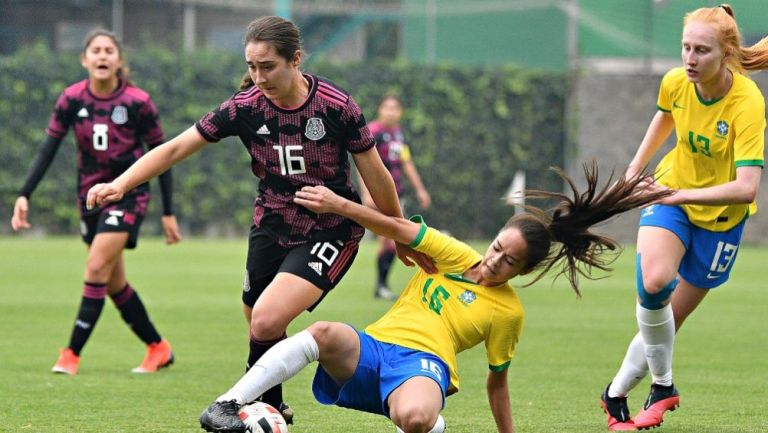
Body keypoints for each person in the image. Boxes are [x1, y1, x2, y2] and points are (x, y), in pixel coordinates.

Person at [86, 16, 432, 423]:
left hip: (330, 229)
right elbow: (177, 147)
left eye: (267, 66)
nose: (258, 76)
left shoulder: (337, 107)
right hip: (270, 224)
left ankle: (235, 407)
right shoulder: (245, 107)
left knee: (267, 317)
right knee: (257, 319)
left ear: (296, 60)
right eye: (252, 66)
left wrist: (401, 232)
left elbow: (377, 176)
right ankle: (274, 407)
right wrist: (122, 183)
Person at [197, 163, 673, 433]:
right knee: (322, 333)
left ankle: (431, 423)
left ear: (522, 272)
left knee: (417, 417)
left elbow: (497, 382)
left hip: (422, 367)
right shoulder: (455, 255)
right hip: (374, 348)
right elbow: (400, 227)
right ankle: (227, 403)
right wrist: (342, 206)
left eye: (508, 262)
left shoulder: (507, 311)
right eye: (496, 248)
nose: (493, 262)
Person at [599, 4, 768, 431]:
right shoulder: (676, 81)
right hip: (672, 194)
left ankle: (616, 390)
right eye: (685, 48)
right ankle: (663, 383)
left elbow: (747, 187)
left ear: (726, 53)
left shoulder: (747, 102)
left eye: (702, 51)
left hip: (721, 220)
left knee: (670, 318)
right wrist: (635, 172)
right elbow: (664, 117)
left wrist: (675, 194)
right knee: (654, 284)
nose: (690, 59)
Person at [10, 29, 182, 375]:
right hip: (89, 198)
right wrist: (24, 193)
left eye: (109, 50)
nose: (102, 56)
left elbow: (162, 156)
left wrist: (167, 212)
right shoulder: (72, 99)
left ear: (119, 60)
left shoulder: (138, 102)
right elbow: (48, 149)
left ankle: (71, 354)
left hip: (129, 195)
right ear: (84, 59)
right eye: (96, 51)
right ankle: (158, 347)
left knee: (94, 268)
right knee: (112, 282)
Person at [358, 95, 432, 300]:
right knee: (391, 241)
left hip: (396, 195)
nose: (390, 111)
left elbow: (406, 163)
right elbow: (363, 163)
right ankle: (381, 286)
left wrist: (420, 189)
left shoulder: (398, 135)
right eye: (387, 107)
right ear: (380, 109)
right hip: (379, 195)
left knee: (388, 241)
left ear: (400, 112)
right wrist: (367, 193)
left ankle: (380, 287)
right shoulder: (373, 132)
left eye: (395, 108)